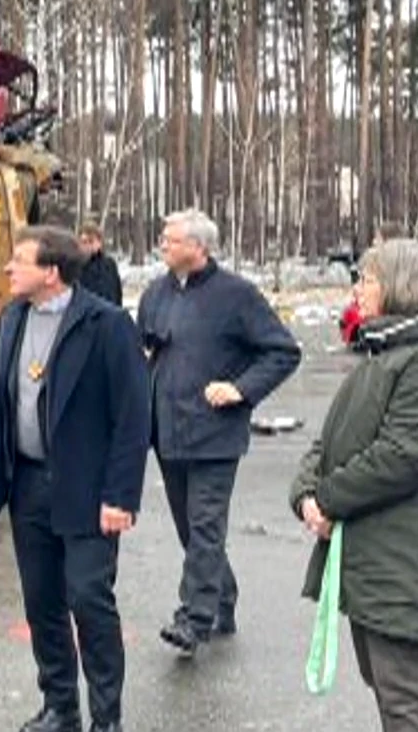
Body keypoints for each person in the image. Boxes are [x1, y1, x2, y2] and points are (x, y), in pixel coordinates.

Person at [290, 239, 418, 732]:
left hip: (408, 566)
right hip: (377, 560)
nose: (358, 289)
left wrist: (328, 499)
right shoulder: (388, 352)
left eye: (368, 279)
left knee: (407, 702)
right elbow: (332, 440)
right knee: (390, 692)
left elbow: (402, 457)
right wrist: (306, 494)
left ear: (401, 287)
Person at [0, 226, 151, 732]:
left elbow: (132, 416)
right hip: (28, 483)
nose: (9, 268)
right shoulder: (12, 318)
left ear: (51, 272)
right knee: (42, 602)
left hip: (88, 488)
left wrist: (121, 496)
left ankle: (107, 717)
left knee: (88, 600)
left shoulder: (106, 324)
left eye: (20, 260)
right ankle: (60, 705)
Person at [136, 208, 301, 657]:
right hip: (166, 432)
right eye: (162, 238)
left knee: (206, 527)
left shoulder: (237, 296)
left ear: (199, 247)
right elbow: (142, 349)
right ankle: (222, 598)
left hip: (214, 436)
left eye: (170, 239)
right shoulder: (155, 293)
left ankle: (193, 619)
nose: (162, 245)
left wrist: (240, 389)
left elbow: (283, 352)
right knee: (191, 531)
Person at [76, 222, 123, 306]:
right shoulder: (75, 267)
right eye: (84, 242)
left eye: (91, 241)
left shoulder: (109, 265)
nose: (87, 246)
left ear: (99, 242)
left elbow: (117, 293)